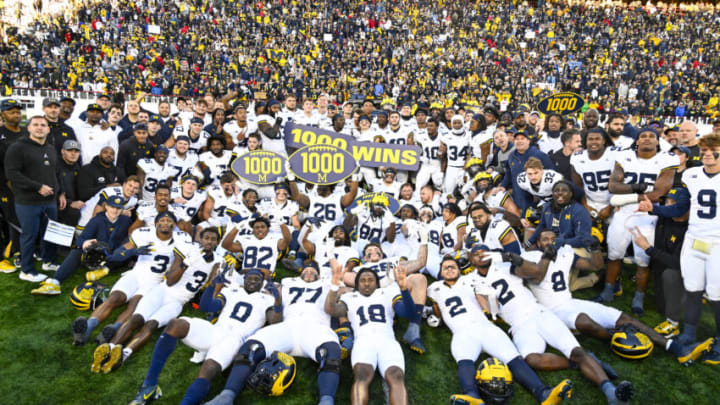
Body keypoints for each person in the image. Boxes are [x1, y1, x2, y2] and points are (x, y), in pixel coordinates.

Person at [467, 245, 632, 405]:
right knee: (532, 359)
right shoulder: (475, 282)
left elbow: (536, 273)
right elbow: (494, 312)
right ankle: (581, 362)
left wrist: (512, 258)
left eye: (484, 251)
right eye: (476, 254)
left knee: (575, 351)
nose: (481, 255)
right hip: (518, 326)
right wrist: (485, 298)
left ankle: (611, 392)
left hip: (538, 313)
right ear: (471, 259)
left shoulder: (504, 267)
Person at [429, 256, 573, 405]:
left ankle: (543, 393)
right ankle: (472, 396)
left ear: (459, 270)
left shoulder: (471, 280)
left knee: (514, 358)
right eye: (445, 267)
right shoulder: (433, 288)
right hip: (461, 331)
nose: (449, 269)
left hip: (486, 327)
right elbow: (437, 310)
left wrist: (482, 296)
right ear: (440, 272)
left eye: (453, 266)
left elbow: (493, 309)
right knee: (464, 359)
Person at [128, 268, 279, 405]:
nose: (253, 281)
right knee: (176, 325)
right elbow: (206, 307)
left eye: (257, 279)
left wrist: (278, 300)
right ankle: (149, 386)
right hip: (215, 330)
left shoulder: (268, 299)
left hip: (235, 339)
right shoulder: (232, 291)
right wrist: (212, 285)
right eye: (250, 278)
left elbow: (274, 321)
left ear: (262, 283)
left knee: (209, 367)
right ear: (244, 279)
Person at [204, 261, 342, 405]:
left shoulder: (328, 284)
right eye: (305, 270)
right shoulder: (286, 283)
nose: (308, 272)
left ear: (319, 276)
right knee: (251, 347)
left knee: (331, 352)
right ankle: (227, 395)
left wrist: (336, 285)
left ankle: (326, 401)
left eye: (312, 271)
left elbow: (346, 293)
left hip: (315, 327)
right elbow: (255, 286)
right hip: (287, 326)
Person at [92, 228, 222, 372]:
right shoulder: (188, 249)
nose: (209, 241)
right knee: (136, 319)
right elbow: (171, 280)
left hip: (178, 302)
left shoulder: (218, 261)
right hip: (162, 291)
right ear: (200, 239)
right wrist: (186, 264)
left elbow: (211, 285)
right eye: (207, 238)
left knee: (150, 325)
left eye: (213, 239)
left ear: (217, 242)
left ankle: (123, 355)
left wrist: (218, 275)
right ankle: (109, 348)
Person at [72, 212, 190, 346]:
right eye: (162, 220)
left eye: (169, 221)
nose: (165, 223)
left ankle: (113, 329)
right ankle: (87, 329)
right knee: (114, 298)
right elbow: (117, 255)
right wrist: (132, 252)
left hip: (154, 281)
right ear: (156, 223)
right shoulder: (144, 234)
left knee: (133, 306)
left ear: (174, 225)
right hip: (136, 274)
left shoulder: (182, 239)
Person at [596, 127, 678, 315]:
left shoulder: (666, 159)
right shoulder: (625, 157)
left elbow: (659, 193)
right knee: (614, 254)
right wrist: (637, 190)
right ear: (637, 141)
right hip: (623, 214)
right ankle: (608, 290)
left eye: (651, 136)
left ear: (658, 142)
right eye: (643, 136)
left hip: (647, 215)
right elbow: (613, 186)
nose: (647, 139)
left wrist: (626, 197)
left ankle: (638, 297)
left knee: (643, 260)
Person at [324, 259, 417, 405]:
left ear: (377, 283)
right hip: (363, 340)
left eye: (370, 280)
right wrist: (334, 287)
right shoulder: (349, 297)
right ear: (356, 284)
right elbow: (330, 310)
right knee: (361, 377)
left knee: (396, 377)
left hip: (387, 340)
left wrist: (404, 289)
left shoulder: (388, 292)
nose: (367, 283)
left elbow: (409, 312)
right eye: (362, 280)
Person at [672, 134, 720, 363]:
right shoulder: (691, 175)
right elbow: (681, 205)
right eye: (704, 149)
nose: (707, 153)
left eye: (713, 149)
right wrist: (653, 209)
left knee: (716, 293)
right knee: (692, 288)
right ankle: (689, 332)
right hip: (694, 238)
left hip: (718, 242)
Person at [31, 195, 132, 295]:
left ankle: (105, 270)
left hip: (113, 256)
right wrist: (85, 243)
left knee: (128, 247)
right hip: (95, 257)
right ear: (106, 206)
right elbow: (80, 240)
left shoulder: (125, 220)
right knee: (77, 251)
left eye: (118, 208)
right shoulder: (96, 221)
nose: (115, 210)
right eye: (112, 207)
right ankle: (55, 282)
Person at [5, 116, 61, 282]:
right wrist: (37, 187)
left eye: (43, 125)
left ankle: (48, 261)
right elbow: (12, 174)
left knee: (51, 234)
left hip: (50, 201)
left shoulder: (51, 149)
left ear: (48, 129)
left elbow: (54, 173)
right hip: (27, 202)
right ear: (28, 128)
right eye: (35, 125)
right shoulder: (17, 148)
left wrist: (59, 192)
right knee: (29, 236)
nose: (39, 128)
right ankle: (27, 270)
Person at [56, 140, 83, 226]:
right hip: (59, 205)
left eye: (76, 151)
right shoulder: (55, 166)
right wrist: (70, 203)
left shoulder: (78, 167)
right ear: (62, 151)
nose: (73, 154)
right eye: (70, 150)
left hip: (75, 204)